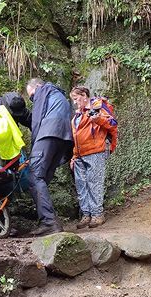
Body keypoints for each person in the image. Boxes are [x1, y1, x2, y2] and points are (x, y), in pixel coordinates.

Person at [24, 78, 73, 236]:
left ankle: (49, 222)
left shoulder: (42, 90)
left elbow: (37, 120)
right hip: (64, 139)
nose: (32, 99)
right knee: (42, 179)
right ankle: (50, 220)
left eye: (31, 96)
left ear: (36, 86)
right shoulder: (59, 95)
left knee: (34, 176)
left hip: (48, 133)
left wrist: (35, 143)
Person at [69, 86, 118, 229]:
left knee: (94, 183)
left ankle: (97, 214)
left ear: (84, 95)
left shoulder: (98, 107)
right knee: (81, 185)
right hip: (79, 154)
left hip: (96, 151)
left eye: (76, 99)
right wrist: (74, 156)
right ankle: (86, 215)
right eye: (73, 100)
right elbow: (76, 137)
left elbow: (113, 124)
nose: (75, 103)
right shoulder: (78, 115)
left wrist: (98, 119)